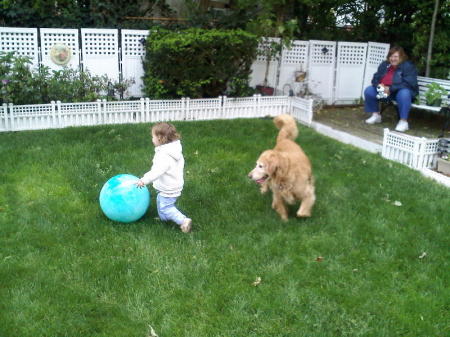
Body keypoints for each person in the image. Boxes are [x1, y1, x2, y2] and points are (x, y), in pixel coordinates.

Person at [136, 122, 192, 233]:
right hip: (173, 184)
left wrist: (144, 180)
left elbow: (156, 172)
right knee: (160, 201)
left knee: (166, 207)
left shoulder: (164, 156)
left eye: (153, 137)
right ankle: (164, 218)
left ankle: (183, 221)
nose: (152, 139)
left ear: (160, 138)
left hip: (169, 188)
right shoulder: (173, 150)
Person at [363, 46, 418, 132]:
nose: (393, 59)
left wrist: (391, 88)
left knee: (404, 93)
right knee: (369, 90)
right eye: (391, 56)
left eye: (395, 57)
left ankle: (403, 122)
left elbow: (409, 83)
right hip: (384, 91)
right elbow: (375, 78)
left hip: (399, 93)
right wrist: (380, 86)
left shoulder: (408, 66)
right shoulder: (384, 65)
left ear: (401, 57)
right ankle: (376, 115)